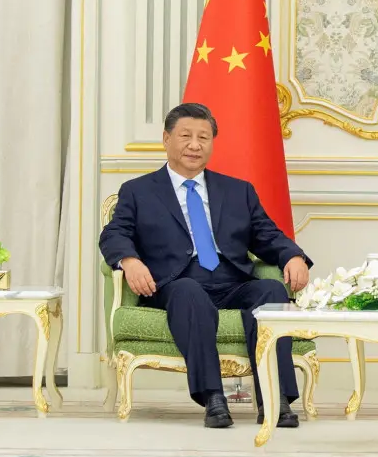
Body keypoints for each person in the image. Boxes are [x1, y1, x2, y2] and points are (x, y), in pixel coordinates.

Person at [99, 103, 311, 429]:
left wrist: (293, 256)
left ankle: (276, 399)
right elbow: (114, 234)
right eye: (185, 136)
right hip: (175, 283)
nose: (195, 145)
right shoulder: (138, 191)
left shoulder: (238, 191)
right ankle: (214, 397)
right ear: (166, 139)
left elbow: (267, 235)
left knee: (270, 290)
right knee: (189, 292)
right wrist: (129, 261)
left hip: (231, 280)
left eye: (204, 137)